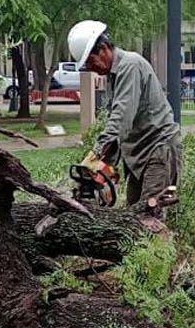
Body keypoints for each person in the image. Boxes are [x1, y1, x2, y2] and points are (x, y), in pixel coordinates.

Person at [67, 20, 183, 216]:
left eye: (92, 62)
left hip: (158, 149)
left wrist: (96, 152)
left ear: (103, 49)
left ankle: (159, 245)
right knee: (131, 215)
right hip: (138, 155)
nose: (93, 69)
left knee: (148, 217)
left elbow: (122, 118)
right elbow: (121, 127)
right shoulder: (114, 74)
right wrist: (106, 162)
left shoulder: (130, 66)